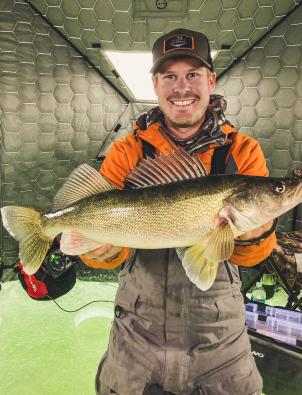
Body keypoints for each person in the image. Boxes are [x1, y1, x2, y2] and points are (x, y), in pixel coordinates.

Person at [80, 28, 276, 395]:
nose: (181, 88)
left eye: (193, 75)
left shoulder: (243, 151)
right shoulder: (127, 151)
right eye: (169, 76)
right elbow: (113, 250)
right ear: (154, 83)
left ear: (211, 80)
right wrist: (99, 252)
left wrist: (256, 232)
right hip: (138, 331)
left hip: (219, 337)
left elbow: (253, 256)